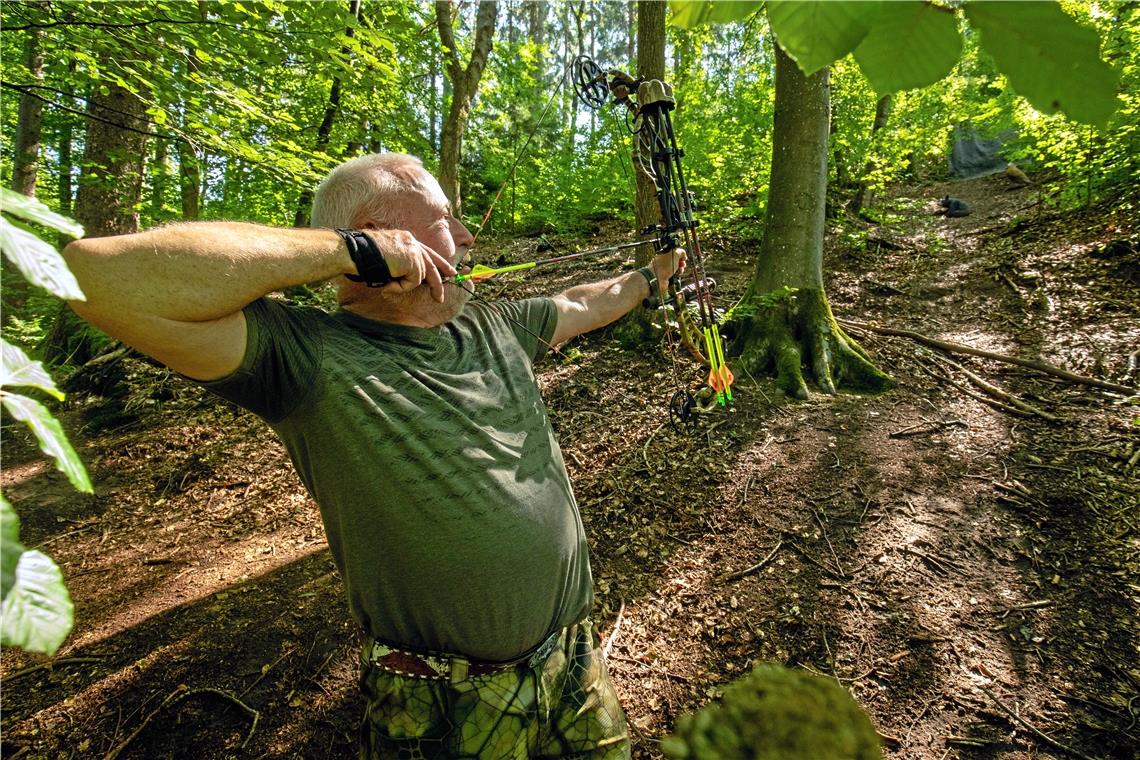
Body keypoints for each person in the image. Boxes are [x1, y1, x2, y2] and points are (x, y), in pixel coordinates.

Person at [62, 152, 684, 759]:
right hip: (444, 701)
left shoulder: (494, 326)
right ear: (379, 237)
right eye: (445, 219)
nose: (467, 236)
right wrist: (347, 253)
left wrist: (652, 276)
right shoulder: (302, 357)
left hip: (574, 663)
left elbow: (585, 303)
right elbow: (89, 277)